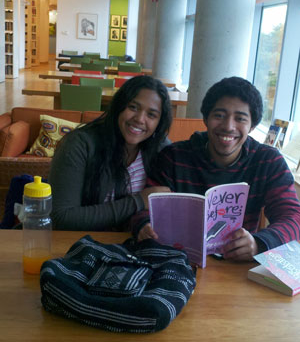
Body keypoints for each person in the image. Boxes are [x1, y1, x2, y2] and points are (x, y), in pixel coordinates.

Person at [134, 76, 300, 261]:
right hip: (176, 260)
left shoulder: (268, 162)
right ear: (205, 118)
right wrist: (144, 225)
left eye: (240, 118)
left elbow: (293, 217)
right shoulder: (174, 157)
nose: (228, 126)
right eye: (219, 115)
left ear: (252, 126)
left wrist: (258, 243)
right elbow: (144, 206)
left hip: (235, 267)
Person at [49, 75, 172, 231]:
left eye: (151, 115)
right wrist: (138, 201)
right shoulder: (79, 145)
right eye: (133, 107)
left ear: (159, 123)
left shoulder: (161, 149)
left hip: (134, 247)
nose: (140, 119)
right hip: (81, 245)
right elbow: (61, 218)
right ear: (119, 106)